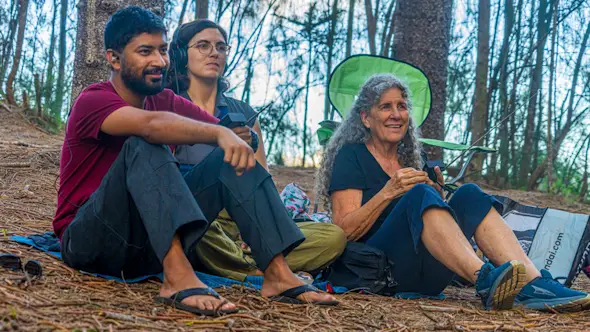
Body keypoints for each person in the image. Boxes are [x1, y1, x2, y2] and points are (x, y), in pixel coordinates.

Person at [54, 6, 338, 317]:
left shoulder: (165, 100)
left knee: (226, 159)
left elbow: (226, 134)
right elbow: (151, 126)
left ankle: (277, 273)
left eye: (162, 50)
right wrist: (220, 134)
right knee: (144, 141)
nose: (159, 61)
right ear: (114, 58)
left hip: (149, 243)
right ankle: (177, 277)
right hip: (90, 241)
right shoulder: (93, 100)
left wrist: (242, 138)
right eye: (145, 51)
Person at [315, 74, 590, 312]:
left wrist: (436, 194)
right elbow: (344, 230)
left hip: (427, 272)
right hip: (380, 272)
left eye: (401, 106)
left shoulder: (413, 157)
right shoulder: (352, 157)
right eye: (385, 107)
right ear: (366, 117)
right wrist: (389, 192)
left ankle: (533, 285)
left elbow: (433, 226)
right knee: (419, 195)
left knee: (468, 194)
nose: (396, 114)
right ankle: (485, 281)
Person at [164, 19, 345, 281]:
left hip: (244, 221)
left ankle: (242, 261)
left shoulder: (244, 113)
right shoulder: (168, 105)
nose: (214, 53)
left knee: (333, 237)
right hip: (202, 218)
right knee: (193, 228)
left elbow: (262, 179)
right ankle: (258, 270)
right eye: (202, 46)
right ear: (182, 54)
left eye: (220, 47)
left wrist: (261, 230)